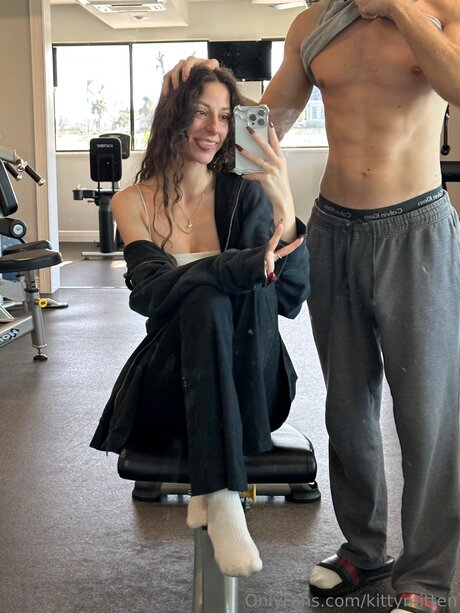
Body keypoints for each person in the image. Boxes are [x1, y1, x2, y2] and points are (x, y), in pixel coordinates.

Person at [164, 0, 460, 611]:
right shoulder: (314, 23)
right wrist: (207, 90)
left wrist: (396, 6)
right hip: (334, 228)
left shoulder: (444, 10)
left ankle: (426, 576)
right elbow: (262, 126)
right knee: (348, 405)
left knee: (427, 412)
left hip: (416, 228)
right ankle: (364, 549)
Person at [89, 65, 309, 579]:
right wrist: (234, 267)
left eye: (226, 117)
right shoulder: (131, 202)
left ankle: (216, 492)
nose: (214, 128)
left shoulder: (245, 195)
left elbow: (289, 298)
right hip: (173, 384)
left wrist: (283, 199)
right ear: (173, 117)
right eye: (199, 112)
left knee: (214, 294)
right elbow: (150, 293)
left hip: (254, 383)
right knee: (206, 298)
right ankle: (222, 494)